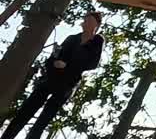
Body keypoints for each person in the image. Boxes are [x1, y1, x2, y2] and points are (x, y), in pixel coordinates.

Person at [1, 11, 104, 139]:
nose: (87, 23)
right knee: (25, 112)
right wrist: (53, 63)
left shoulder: (98, 41)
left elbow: (92, 64)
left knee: (43, 120)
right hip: (50, 78)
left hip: (67, 85)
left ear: (97, 25)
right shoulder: (72, 38)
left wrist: (68, 66)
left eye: (91, 21)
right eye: (86, 20)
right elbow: (54, 56)